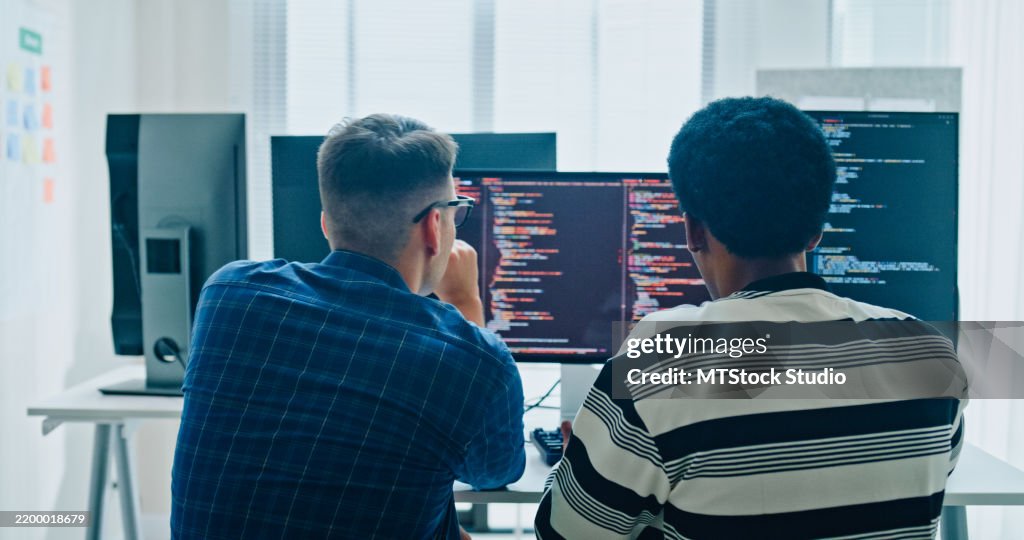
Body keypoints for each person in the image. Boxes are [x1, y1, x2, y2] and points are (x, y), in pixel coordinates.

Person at [535, 97, 966, 539]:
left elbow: (564, 533)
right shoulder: (931, 356)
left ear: (692, 231)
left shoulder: (657, 364)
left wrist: (579, 459)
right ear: (817, 229)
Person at [171, 114, 525, 539]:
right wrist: (466, 303)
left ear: (326, 223)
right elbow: (493, 470)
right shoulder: (472, 359)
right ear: (435, 226)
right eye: (455, 211)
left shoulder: (229, 292)